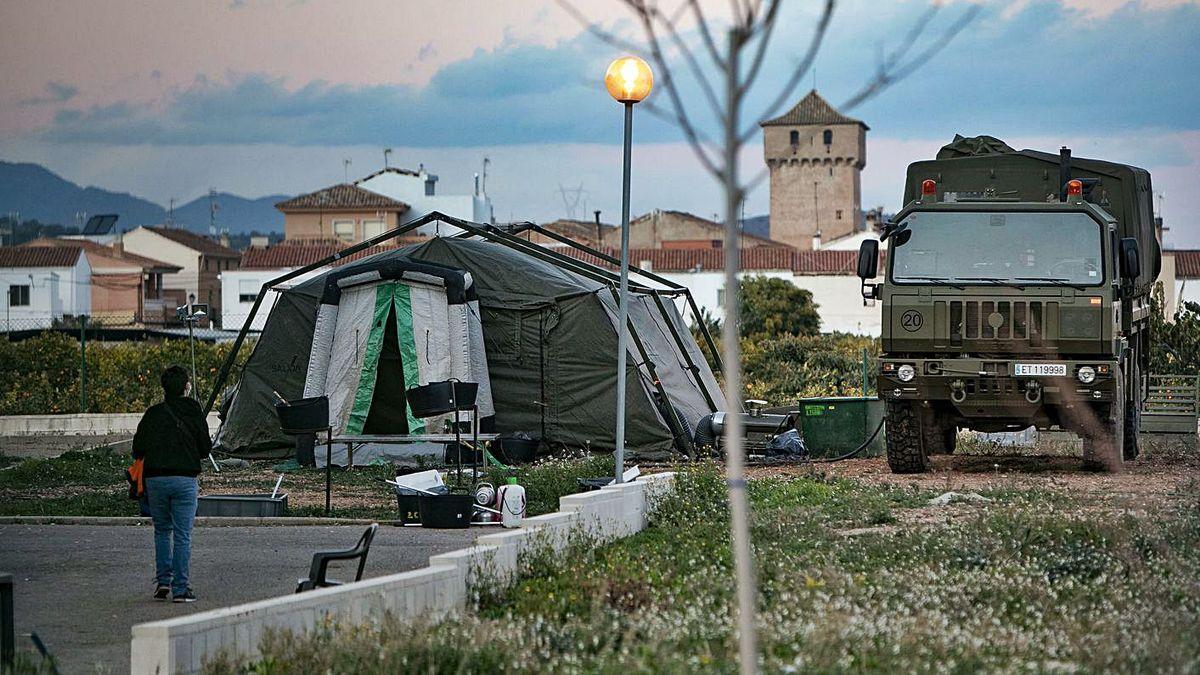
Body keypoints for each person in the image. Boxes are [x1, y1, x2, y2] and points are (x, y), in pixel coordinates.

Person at [132, 365, 211, 603]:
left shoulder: (152, 413)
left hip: (155, 480)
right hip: (184, 479)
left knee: (161, 531)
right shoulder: (194, 410)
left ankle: (163, 582)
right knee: (182, 534)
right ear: (187, 386)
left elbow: (137, 449)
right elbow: (205, 449)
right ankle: (181, 588)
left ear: (164, 388)